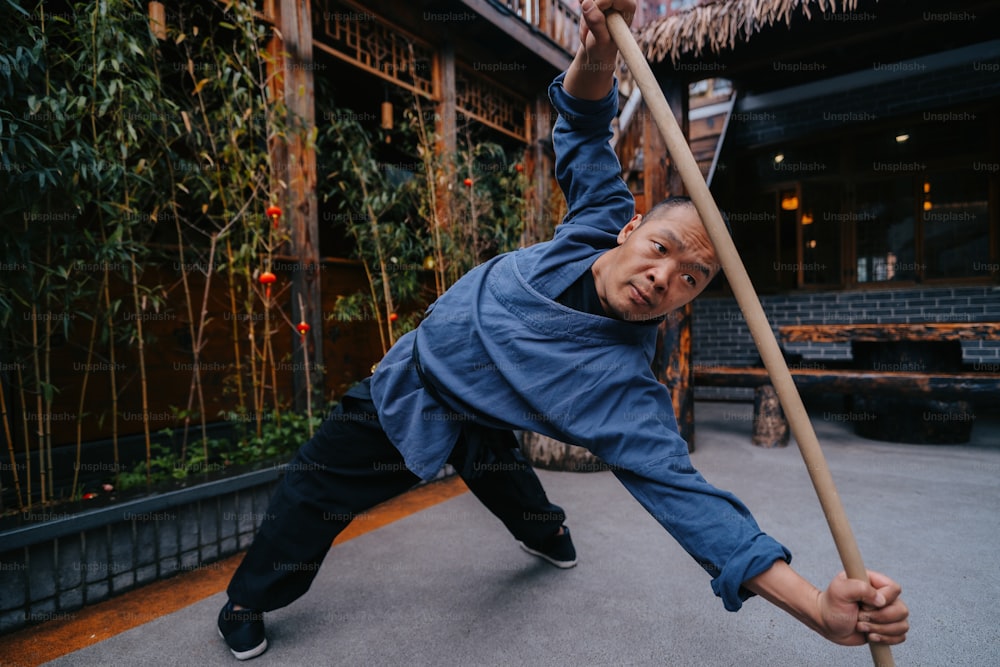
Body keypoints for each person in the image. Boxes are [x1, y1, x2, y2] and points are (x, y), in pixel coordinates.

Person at [217, 0, 909, 660]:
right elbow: (581, 121)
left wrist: (817, 606)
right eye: (663, 250)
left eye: (691, 279)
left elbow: (696, 505)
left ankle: (542, 528)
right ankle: (252, 600)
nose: (664, 279)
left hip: (469, 401)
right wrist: (601, 44)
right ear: (632, 227)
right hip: (416, 378)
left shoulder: (624, 393)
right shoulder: (598, 216)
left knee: (401, 469)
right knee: (330, 488)